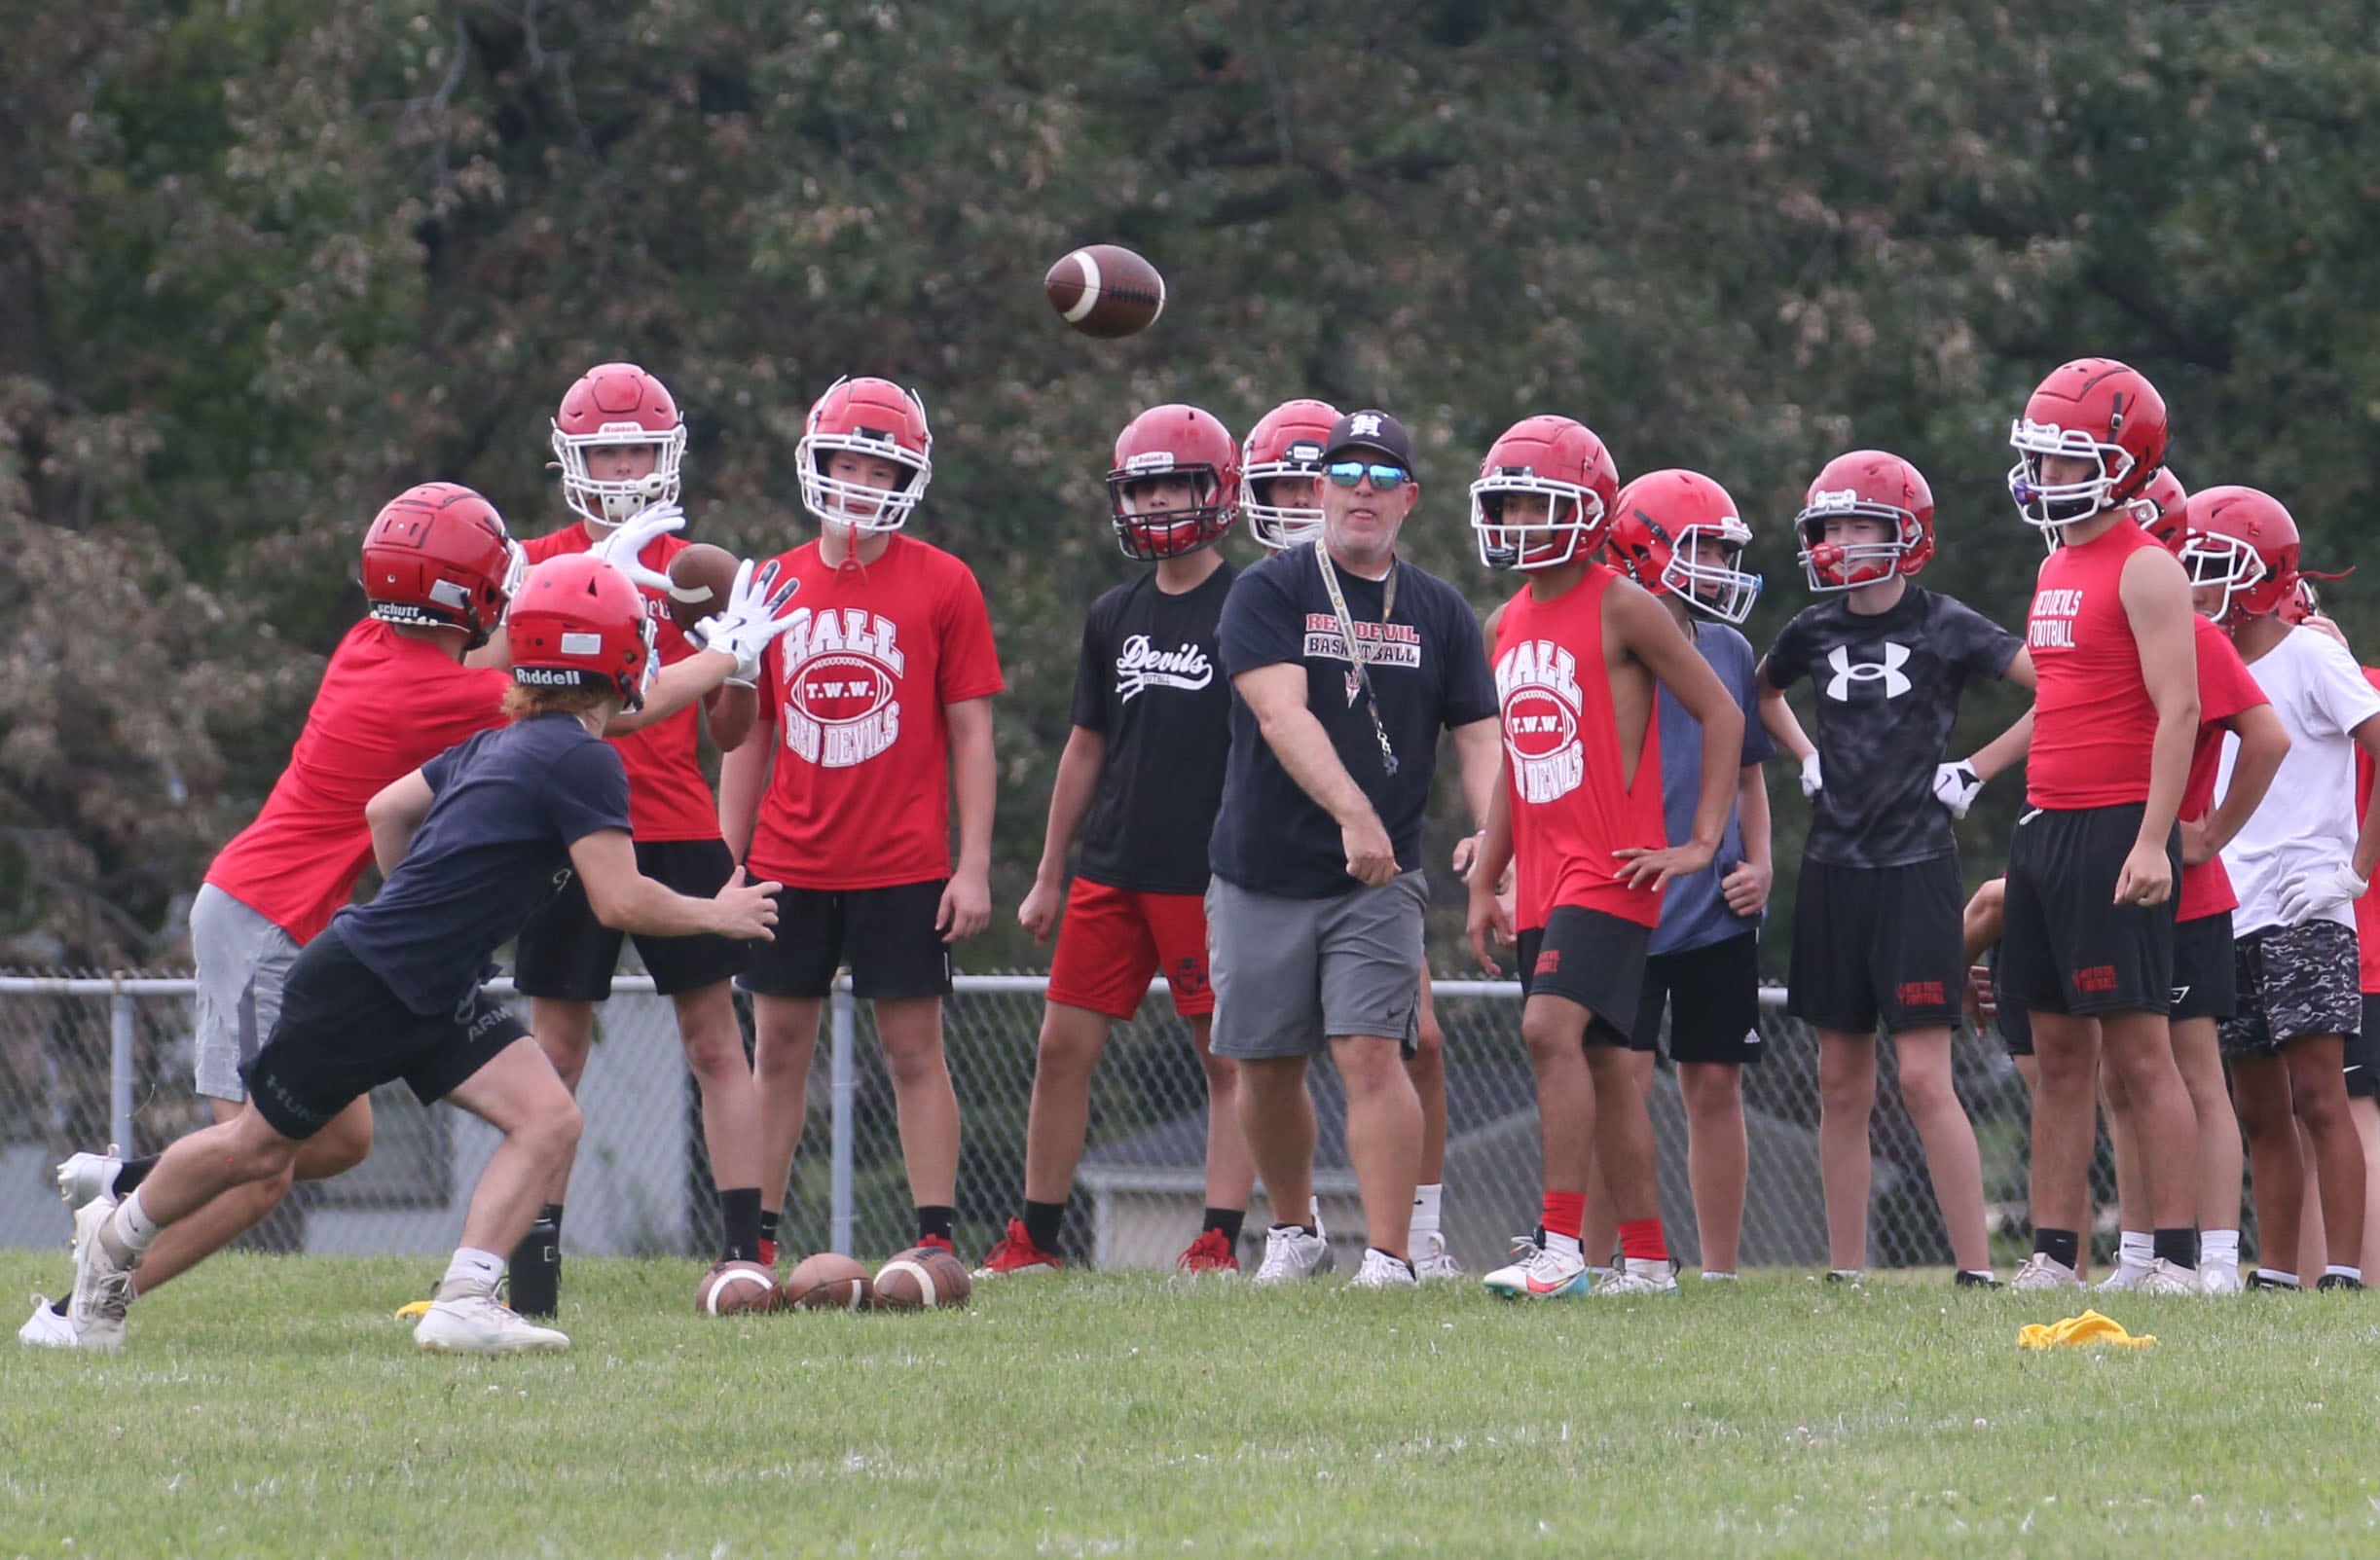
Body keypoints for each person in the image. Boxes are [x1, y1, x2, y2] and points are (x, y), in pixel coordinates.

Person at [45, 554, 794, 1354]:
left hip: (416, 975)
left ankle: (466, 1297)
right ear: (612, 654)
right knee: (255, 1148)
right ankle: (114, 1238)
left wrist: (431, 915)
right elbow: (620, 898)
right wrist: (717, 913)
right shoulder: (583, 757)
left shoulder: (502, 741)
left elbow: (386, 810)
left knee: (548, 1119)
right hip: (376, 980)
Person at [19, 485, 523, 1352]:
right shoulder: (441, 694)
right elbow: (567, 704)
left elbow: (492, 666)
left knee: (341, 1139)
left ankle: (127, 1183)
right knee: (262, 1165)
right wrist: (686, 646)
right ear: (460, 594)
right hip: (265, 920)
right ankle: (78, 1315)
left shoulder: (369, 643)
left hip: (267, 912)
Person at [1208, 408, 1501, 1288]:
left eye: (1380, 476)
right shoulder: (1270, 589)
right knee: (1262, 1061)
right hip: (1263, 867)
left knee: (1372, 1048)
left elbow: (1481, 738)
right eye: (1344, 471)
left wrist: (1495, 833)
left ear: (1408, 498)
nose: (1360, 489)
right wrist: (1351, 810)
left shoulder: (1440, 609)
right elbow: (1278, 711)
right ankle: (1294, 1229)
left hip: (1379, 879)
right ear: (1318, 488)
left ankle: (1389, 1256)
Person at [717, 375, 1004, 1262]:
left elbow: (971, 733)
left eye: (878, 466)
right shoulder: (770, 581)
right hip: (786, 858)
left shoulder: (945, 582)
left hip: (904, 858)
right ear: (815, 460)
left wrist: (974, 864)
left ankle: (933, 1238)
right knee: (779, 1050)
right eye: (845, 460)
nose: (858, 481)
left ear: (907, 477)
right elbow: (749, 736)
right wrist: (726, 858)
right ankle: (753, 1241)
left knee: (914, 1050)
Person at [503, 362, 770, 1314]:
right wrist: (711, 661)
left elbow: (731, 736)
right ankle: (532, 1262)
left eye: (637, 448)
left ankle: (746, 1249)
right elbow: (532, 697)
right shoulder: (533, 560)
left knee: (715, 1041)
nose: (621, 466)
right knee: (557, 1046)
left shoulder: (689, 566)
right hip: (566, 822)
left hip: (674, 818)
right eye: (605, 448)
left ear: (669, 456)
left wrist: (740, 664)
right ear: (571, 458)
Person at [1464, 421, 1745, 1302]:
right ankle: (1650, 1260)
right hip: (1543, 871)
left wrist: (1700, 842)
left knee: (1547, 1032)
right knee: (1604, 1064)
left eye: (1533, 501)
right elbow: (1518, 757)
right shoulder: (1501, 621)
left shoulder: (1624, 602)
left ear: (1585, 511)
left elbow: (1722, 713)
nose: (1514, 518)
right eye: (1503, 502)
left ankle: (1557, 1245)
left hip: (1610, 869)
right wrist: (1484, 875)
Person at [976, 405, 1251, 1276]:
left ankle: (1219, 1238)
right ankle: (1036, 1238)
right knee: (1061, 1048)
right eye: (1143, 485)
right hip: (1112, 865)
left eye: (1178, 482)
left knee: (1224, 1059)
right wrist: (1048, 872)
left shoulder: (1249, 604)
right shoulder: (1113, 613)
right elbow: (1085, 745)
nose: (1161, 500)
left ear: (1219, 491)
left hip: (1206, 873)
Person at [1757, 450, 2027, 1286]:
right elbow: (1762, 693)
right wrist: (1802, 754)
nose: (1839, 539)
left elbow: (2054, 691)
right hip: (1834, 866)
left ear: (1903, 531)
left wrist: (1975, 768)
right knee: (1840, 1079)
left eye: (1857, 522)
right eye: (1828, 524)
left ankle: (1976, 1267)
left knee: (1920, 1075)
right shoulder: (1810, 629)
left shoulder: (1943, 620)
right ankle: (1847, 1269)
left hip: (1915, 867)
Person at [2000, 356, 2202, 1294]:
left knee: (2140, 1051)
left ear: (2123, 461)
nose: (2046, 476)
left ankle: (2173, 1257)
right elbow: (2062, 701)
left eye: (2066, 458)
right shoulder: (2051, 563)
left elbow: (2181, 711)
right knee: (2056, 1059)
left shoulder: (2149, 566)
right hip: (2044, 826)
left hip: (2116, 826)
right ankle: (2052, 1254)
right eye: (2039, 457)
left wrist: (2156, 838)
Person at [1572, 469, 1774, 1283]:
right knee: (1612, 1084)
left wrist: (1759, 863)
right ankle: (1583, 1258)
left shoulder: (1726, 646)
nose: (1721, 567)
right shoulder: (1602, 635)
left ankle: (1718, 1270)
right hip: (1623, 895)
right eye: (1707, 548)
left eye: (1728, 551)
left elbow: (1752, 776)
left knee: (1715, 1083)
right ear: (1644, 546)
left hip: (1713, 905)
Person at [2182, 486, 2378, 1291]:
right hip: (2234, 902)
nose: (2192, 579)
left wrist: (2354, 869)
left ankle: (2339, 1271)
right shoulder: (2202, 659)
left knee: (2317, 1095)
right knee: (2257, 1105)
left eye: (2210, 564)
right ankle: (2277, 1271)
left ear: (2262, 574)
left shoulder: (2310, 655)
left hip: (2307, 901)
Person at [2091, 470, 2283, 1295]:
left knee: (2194, 1072)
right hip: (2108, 871)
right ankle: (2137, 1252)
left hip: (2179, 885)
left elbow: (2264, 738)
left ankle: (2208, 1257)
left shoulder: (2193, 631)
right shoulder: (2102, 615)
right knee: (2120, 1072)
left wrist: (2207, 833)